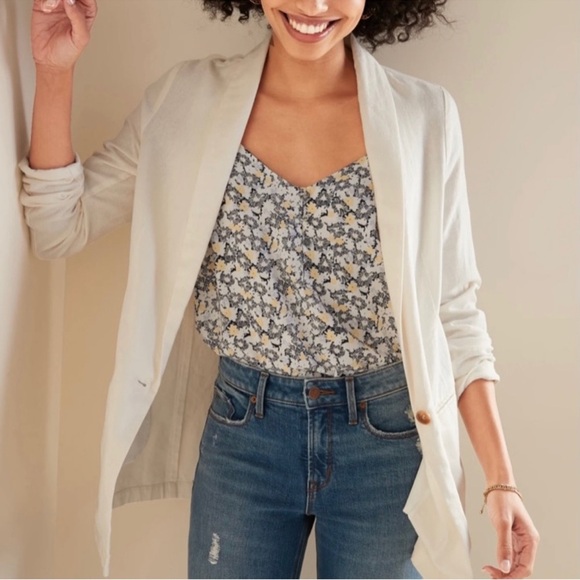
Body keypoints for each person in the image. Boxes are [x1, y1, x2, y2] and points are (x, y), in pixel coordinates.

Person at [20, 0, 539, 578]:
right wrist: (54, 70)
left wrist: (501, 481)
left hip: (387, 444)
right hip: (245, 436)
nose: (313, 6)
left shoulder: (424, 117)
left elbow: (454, 312)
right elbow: (58, 226)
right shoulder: (185, 102)